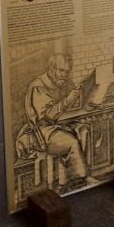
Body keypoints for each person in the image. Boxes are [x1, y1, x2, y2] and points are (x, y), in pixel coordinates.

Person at [17, 54, 97, 188]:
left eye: (67, 71)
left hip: (58, 125)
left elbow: (68, 108)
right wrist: (69, 100)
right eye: (61, 70)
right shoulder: (39, 86)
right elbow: (48, 116)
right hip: (41, 132)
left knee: (84, 131)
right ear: (52, 69)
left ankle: (70, 180)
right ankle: (84, 177)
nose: (64, 75)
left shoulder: (62, 81)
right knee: (71, 141)